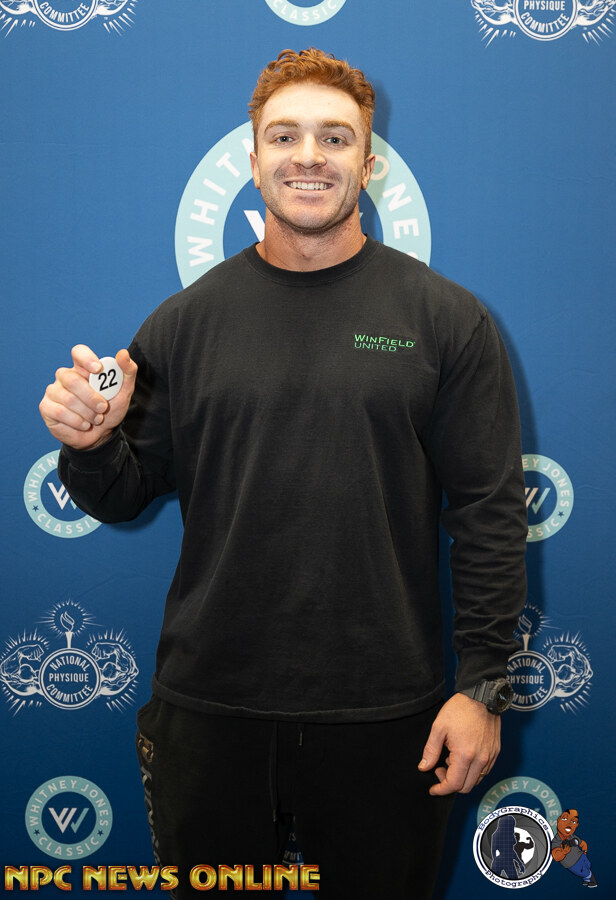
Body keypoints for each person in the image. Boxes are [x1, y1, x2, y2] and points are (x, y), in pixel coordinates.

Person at [39, 48, 527, 899]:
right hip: (210, 714)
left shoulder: (447, 320)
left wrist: (482, 688)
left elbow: (489, 513)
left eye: (335, 138)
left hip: (388, 717)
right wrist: (87, 442)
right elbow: (120, 493)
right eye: (285, 136)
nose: (309, 156)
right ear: (254, 158)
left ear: (368, 165)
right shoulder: (185, 323)